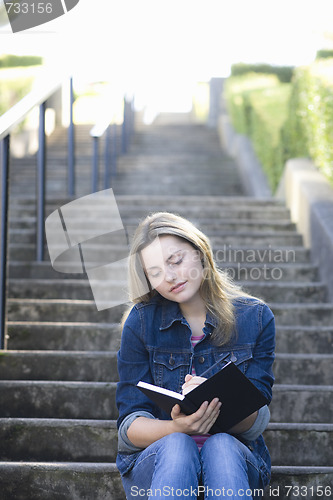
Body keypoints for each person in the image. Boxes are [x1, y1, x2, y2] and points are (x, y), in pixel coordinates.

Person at [116, 212, 275, 499]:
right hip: (160, 465)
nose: (170, 277)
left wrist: (212, 408)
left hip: (236, 462)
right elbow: (129, 428)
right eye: (154, 273)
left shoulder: (255, 318)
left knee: (222, 446)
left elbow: (257, 420)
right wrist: (178, 427)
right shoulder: (140, 323)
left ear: (200, 252)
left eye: (175, 261)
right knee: (178, 444)